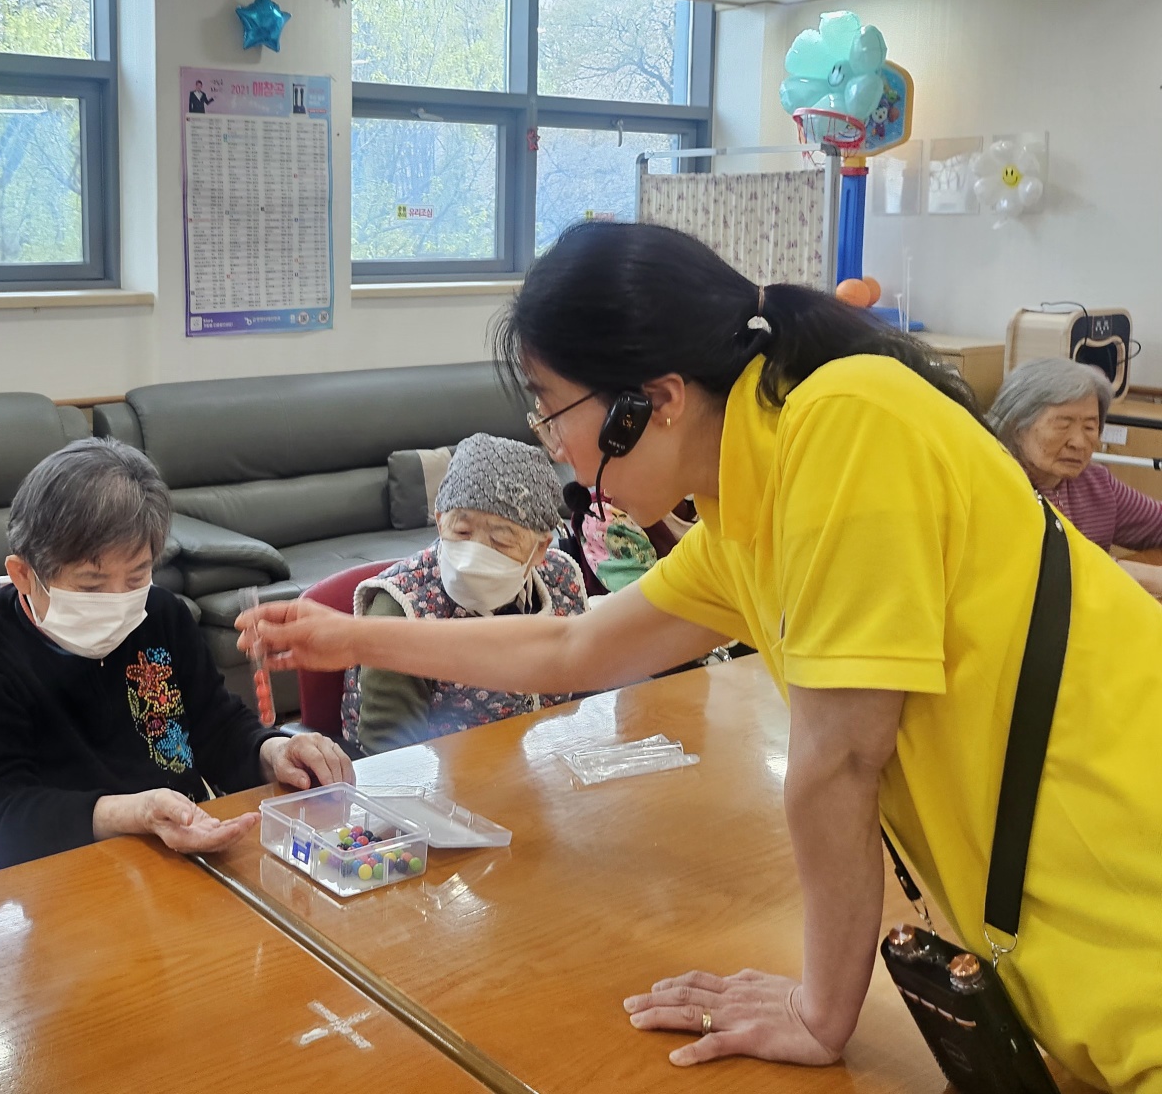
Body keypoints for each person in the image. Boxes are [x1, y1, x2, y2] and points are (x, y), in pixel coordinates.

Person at [241, 221, 1162, 1092]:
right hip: (1065, 935)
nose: (554, 447)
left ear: (656, 402)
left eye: (553, 411)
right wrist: (351, 635)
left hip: (1124, 877)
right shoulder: (745, 512)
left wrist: (818, 1012)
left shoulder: (844, 424)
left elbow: (839, 759)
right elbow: (575, 643)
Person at [0, 438, 351, 886]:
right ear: (23, 574)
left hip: (168, 860)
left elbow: (215, 726)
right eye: (90, 586)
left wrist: (273, 751)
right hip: (32, 890)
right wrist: (132, 812)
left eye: (137, 577)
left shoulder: (161, 616)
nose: (118, 602)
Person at [343, 433, 586, 754]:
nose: (475, 554)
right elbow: (391, 754)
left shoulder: (561, 582)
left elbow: (591, 696)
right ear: (440, 521)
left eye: (501, 541)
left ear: (540, 549)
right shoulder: (401, 608)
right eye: (461, 531)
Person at [989, 356, 1162, 599]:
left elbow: (1157, 523)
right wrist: (1139, 575)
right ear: (1016, 426)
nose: (1079, 443)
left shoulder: (1093, 482)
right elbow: (1044, 573)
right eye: (1063, 425)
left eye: (1090, 427)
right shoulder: (997, 483)